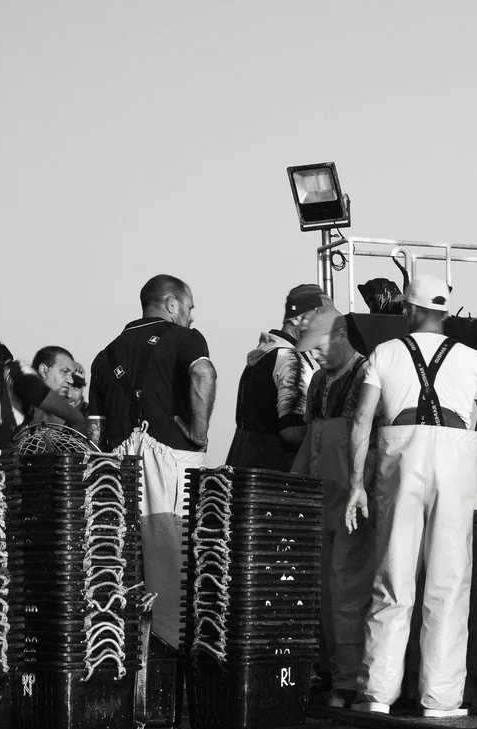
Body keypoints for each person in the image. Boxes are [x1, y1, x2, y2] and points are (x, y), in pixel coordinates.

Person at [343, 275, 477, 716]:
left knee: (393, 580)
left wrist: (355, 485)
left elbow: (362, 421)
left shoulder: (384, 353)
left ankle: (377, 695)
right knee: (448, 584)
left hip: (400, 455)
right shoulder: (471, 358)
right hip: (457, 459)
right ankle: (440, 700)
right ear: (444, 313)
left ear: (409, 310)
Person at [88, 274, 217, 655]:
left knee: (123, 566)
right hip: (170, 468)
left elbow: (94, 431)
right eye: (189, 307)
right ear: (172, 304)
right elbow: (203, 373)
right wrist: (199, 432)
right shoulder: (186, 338)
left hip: (117, 472)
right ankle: (169, 662)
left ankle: (125, 659)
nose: (191, 316)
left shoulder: (104, 356)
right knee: (174, 565)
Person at [297, 305, 380, 704]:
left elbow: (373, 441)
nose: (314, 355)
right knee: (324, 590)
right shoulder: (317, 382)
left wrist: (360, 490)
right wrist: (291, 489)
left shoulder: (366, 374)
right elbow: (310, 439)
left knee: (349, 588)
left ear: (342, 335)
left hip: (351, 501)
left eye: (319, 346)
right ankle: (332, 672)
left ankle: (352, 680)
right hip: (320, 501)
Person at [227, 283, 325, 471]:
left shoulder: (264, 355)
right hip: (274, 477)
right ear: (297, 319)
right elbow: (292, 432)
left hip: (245, 471)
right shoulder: (291, 359)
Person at [0, 341, 91, 454]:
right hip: (12, 467)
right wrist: (77, 418)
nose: (69, 380)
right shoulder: (11, 369)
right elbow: (35, 392)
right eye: (64, 372)